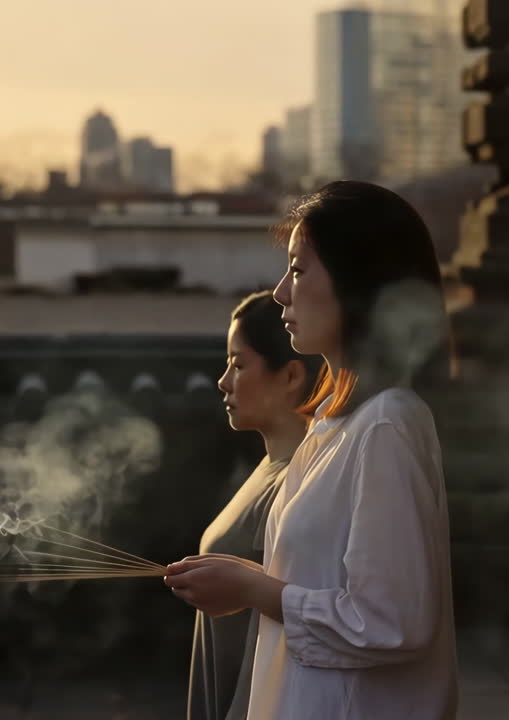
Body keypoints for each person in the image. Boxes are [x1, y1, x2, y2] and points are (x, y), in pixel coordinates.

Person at [165, 181, 458, 720]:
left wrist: (254, 589)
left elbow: (392, 622)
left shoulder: (387, 424)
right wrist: (253, 583)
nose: (280, 292)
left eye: (298, 271)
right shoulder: (335, 423)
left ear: (356, 282)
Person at [185, 291, 323, 720]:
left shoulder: (301, 483)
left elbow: (277, 640)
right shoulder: (270, 464)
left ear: (291, 375)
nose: (224, 381)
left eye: (239, 364)